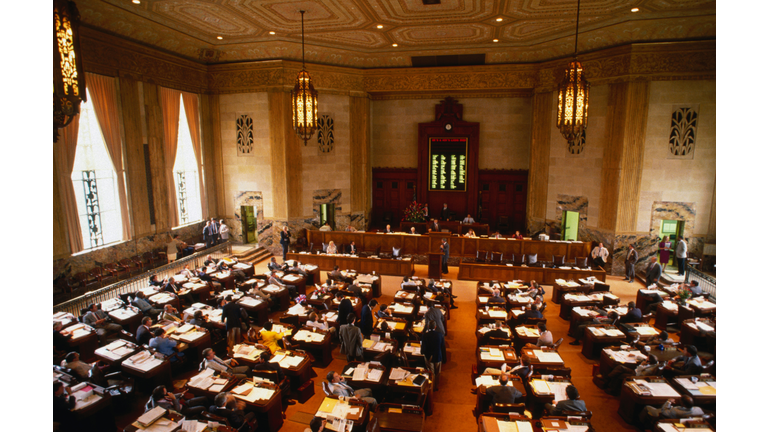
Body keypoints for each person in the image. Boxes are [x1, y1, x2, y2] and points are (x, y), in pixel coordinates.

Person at [639, 395, 705, 429]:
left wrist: (668, 402)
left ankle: (640, 423)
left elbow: (664, 411)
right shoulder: (699, 409)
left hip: (667, 418)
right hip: (683, 423)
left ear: (683, 404)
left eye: (681, 401)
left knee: (647, 407)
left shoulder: (675, 411)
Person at [420, 320, 445, 390]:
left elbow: (423, 348)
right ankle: (436, 386)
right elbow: (442, 346)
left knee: (431, 372)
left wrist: (423, 353)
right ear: (435, 327)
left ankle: (432, 387)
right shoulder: (440, 335)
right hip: (438, 356)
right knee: (438, 372)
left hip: (429, 357)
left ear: (428, 326)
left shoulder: (425, 335)